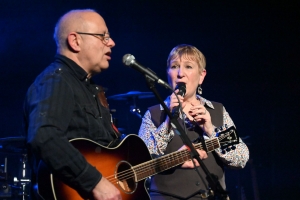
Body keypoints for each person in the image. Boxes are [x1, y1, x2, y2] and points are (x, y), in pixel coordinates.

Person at [23, 9, 122, 200]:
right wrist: (94, 182)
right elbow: (44, 136)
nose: (111, 42)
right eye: (103, 36)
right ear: (75, 41)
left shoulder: (89, 88)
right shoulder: (56, 81)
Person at [138, 44, 249, 200]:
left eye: (188, 67)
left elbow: (241, 158)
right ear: (168, 73)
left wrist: (210, 129)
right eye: (174, 66)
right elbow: (141, 166)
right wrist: (168, 122)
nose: (180, 74)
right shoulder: (154, 114)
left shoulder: (217, 110)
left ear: (201, 75)